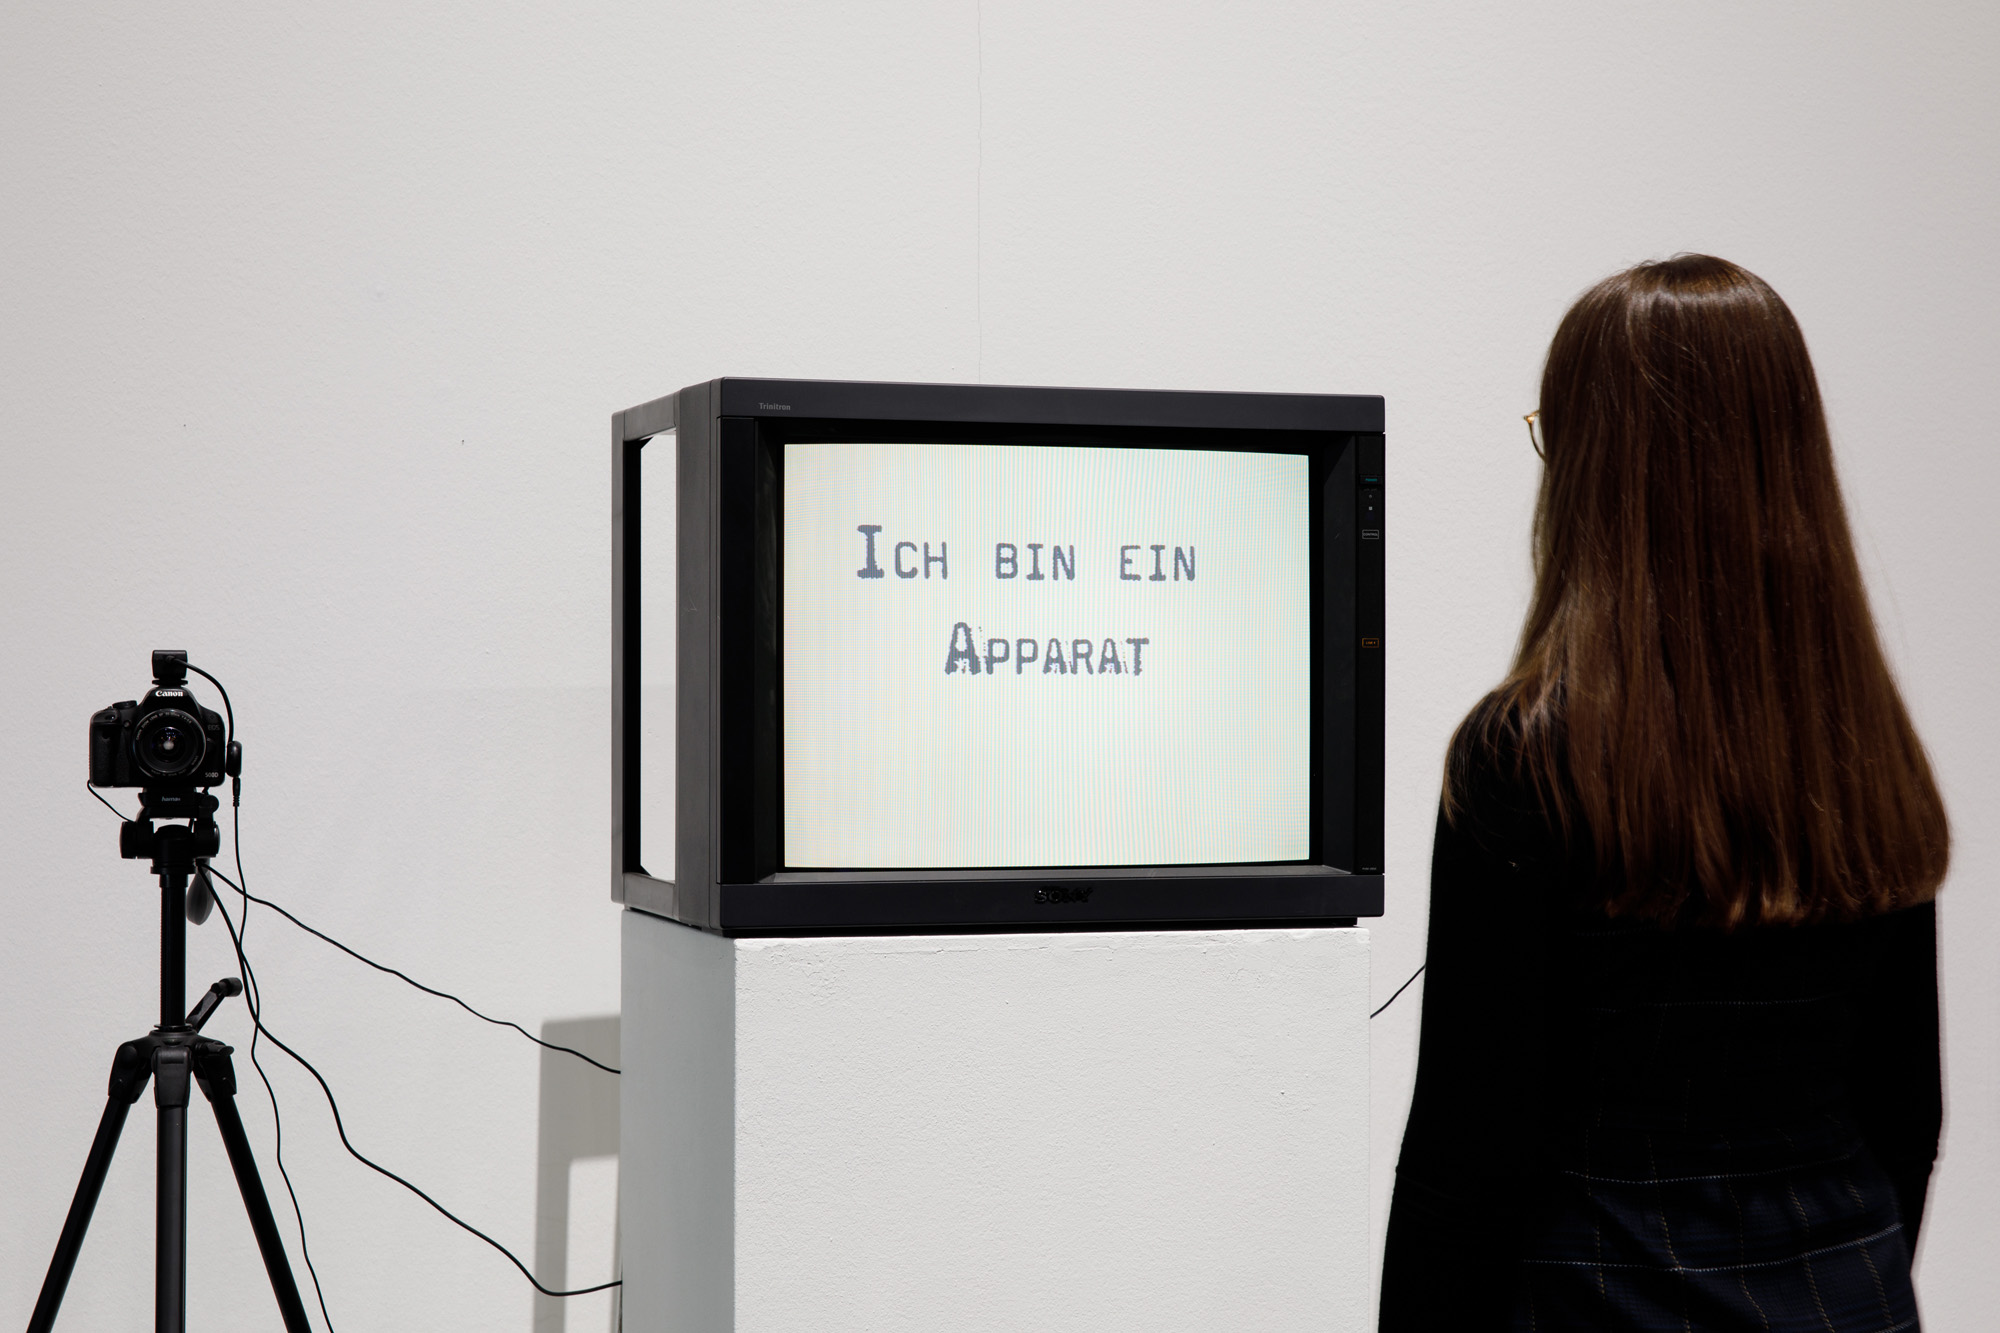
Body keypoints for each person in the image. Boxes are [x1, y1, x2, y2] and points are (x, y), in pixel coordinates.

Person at [1378, 255, 1948, 1332]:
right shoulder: (1869, 749)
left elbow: (1468, 1154)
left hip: (1593, 1296)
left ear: (1598, 469)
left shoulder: (1519, 757)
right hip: (1844, 1292)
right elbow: (1904, 1111)